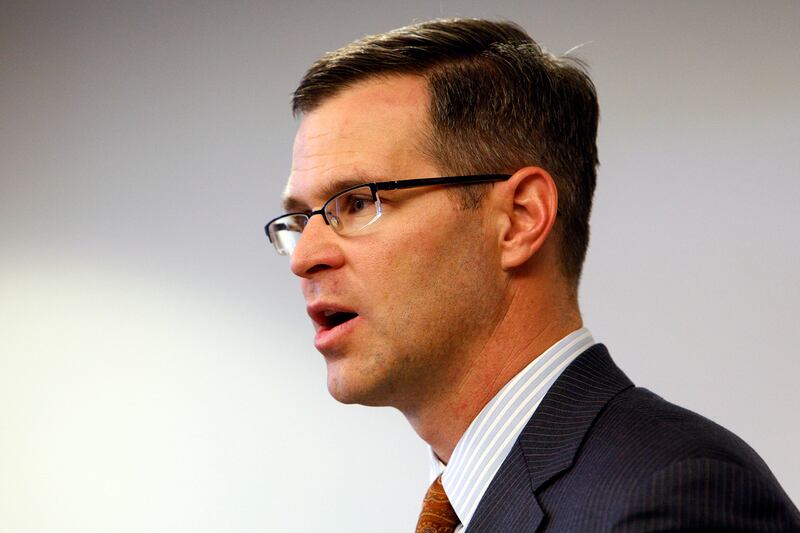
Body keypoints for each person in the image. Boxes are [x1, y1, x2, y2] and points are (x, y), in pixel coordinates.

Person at [264, 18, 800, 532]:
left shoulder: (674, 497)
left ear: (520, 219)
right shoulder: (469, 500)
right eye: (299, 219)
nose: (303, 257)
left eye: (358, 202)